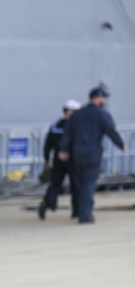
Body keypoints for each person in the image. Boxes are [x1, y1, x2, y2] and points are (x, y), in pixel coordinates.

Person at [58, 86, 126, 224]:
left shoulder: (77, 114)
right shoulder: (102, 114)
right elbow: (111, 131)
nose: (104, 100)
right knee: (88, 184)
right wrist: (121, 144)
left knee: (78, 183)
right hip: (93, 153)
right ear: (98, 98)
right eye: (103, 98)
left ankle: (77, 210)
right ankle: (85, 215)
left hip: (77, 154)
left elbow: (67, 134)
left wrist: (63, 150)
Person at [37, 99, 80, 220]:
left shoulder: (55, 125)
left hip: (58, 160)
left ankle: (47, 204)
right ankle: (77, 211)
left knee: (55, 184)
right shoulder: (78, 126)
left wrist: (47, 159)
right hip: (73, 160)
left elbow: (48, 144)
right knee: (76, 186)